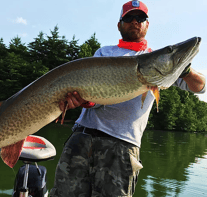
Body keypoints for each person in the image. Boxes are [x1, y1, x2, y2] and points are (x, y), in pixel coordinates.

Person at [50, 1, 206, 196]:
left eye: (140, 18)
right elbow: (93, 96)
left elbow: (200, 87)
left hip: (122, 145)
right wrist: (83, 101)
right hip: (82, 137)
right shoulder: (104, 53)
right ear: (119, 24)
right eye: (129, 18)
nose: (135, 22)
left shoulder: (159, 63)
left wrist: (187, 70)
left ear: (147, 25)